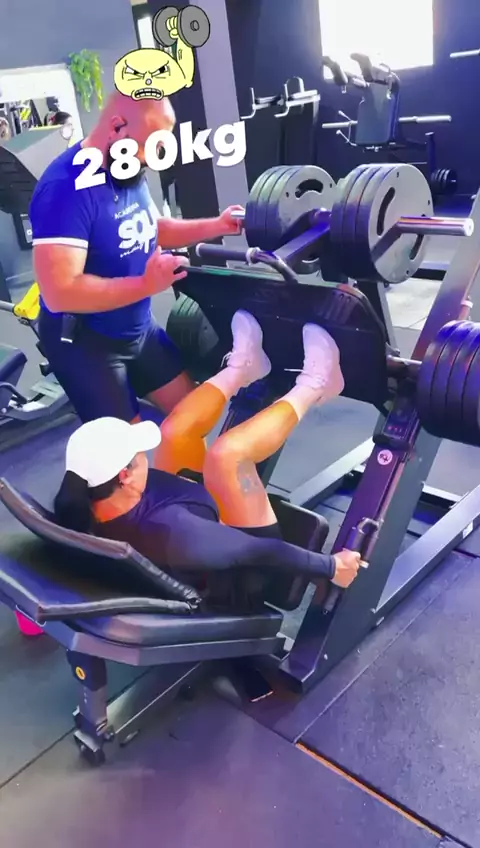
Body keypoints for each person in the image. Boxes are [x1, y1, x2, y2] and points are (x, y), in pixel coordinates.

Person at [54, 312, 361, 601]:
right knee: (228, 455)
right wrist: (332, 567)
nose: (144, 454)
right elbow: (259, 553)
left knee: (174, 432)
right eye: (138, 453)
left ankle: (244, 368)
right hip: (243, 575)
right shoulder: (176, 532)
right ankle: (318, 386)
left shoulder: (86, 500)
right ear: (125, 475)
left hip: (188, 532)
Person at [29, 91, 242, 430]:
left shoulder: (127, 167)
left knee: (192, 421)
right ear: (117, 127)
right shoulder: (63, 189)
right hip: (87, 343)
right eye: (149, 146)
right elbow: (60, 293)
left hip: (138, 328)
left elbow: (154, 228)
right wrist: (145, 284)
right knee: (129, 457)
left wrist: (218, 225)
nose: (151, 159)